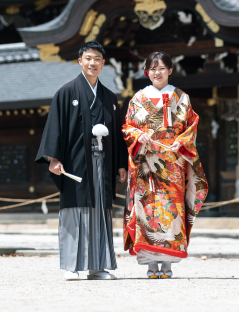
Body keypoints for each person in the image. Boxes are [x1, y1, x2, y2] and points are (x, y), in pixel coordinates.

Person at [36, 41, 127, 281]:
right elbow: (55, 126)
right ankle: (71, 265)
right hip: (76, 162)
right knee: (75, 210)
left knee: (100, 212)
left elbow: (117, 134)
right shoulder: (67, 92)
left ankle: (98, 267)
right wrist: (54, 158)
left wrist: (120, 164)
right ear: (80, 61)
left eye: (97, 59)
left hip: (103, 163)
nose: (92, 63)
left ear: (103, 63)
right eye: (88, 58)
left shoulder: (109, 97)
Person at [123, 51, 208, 279]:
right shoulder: (138, 98)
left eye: (161, 68)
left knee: (171, 211)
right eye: (152, 68)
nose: (156, 72)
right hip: (147, 164)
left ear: (170, 70)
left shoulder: (182, 98)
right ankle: (151, 264)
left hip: (173, 164)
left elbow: (191, 127)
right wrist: (139, 136)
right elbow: (127, 127)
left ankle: (168, 263)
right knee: (146, 211)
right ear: (146, 72)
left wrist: (181, 141)